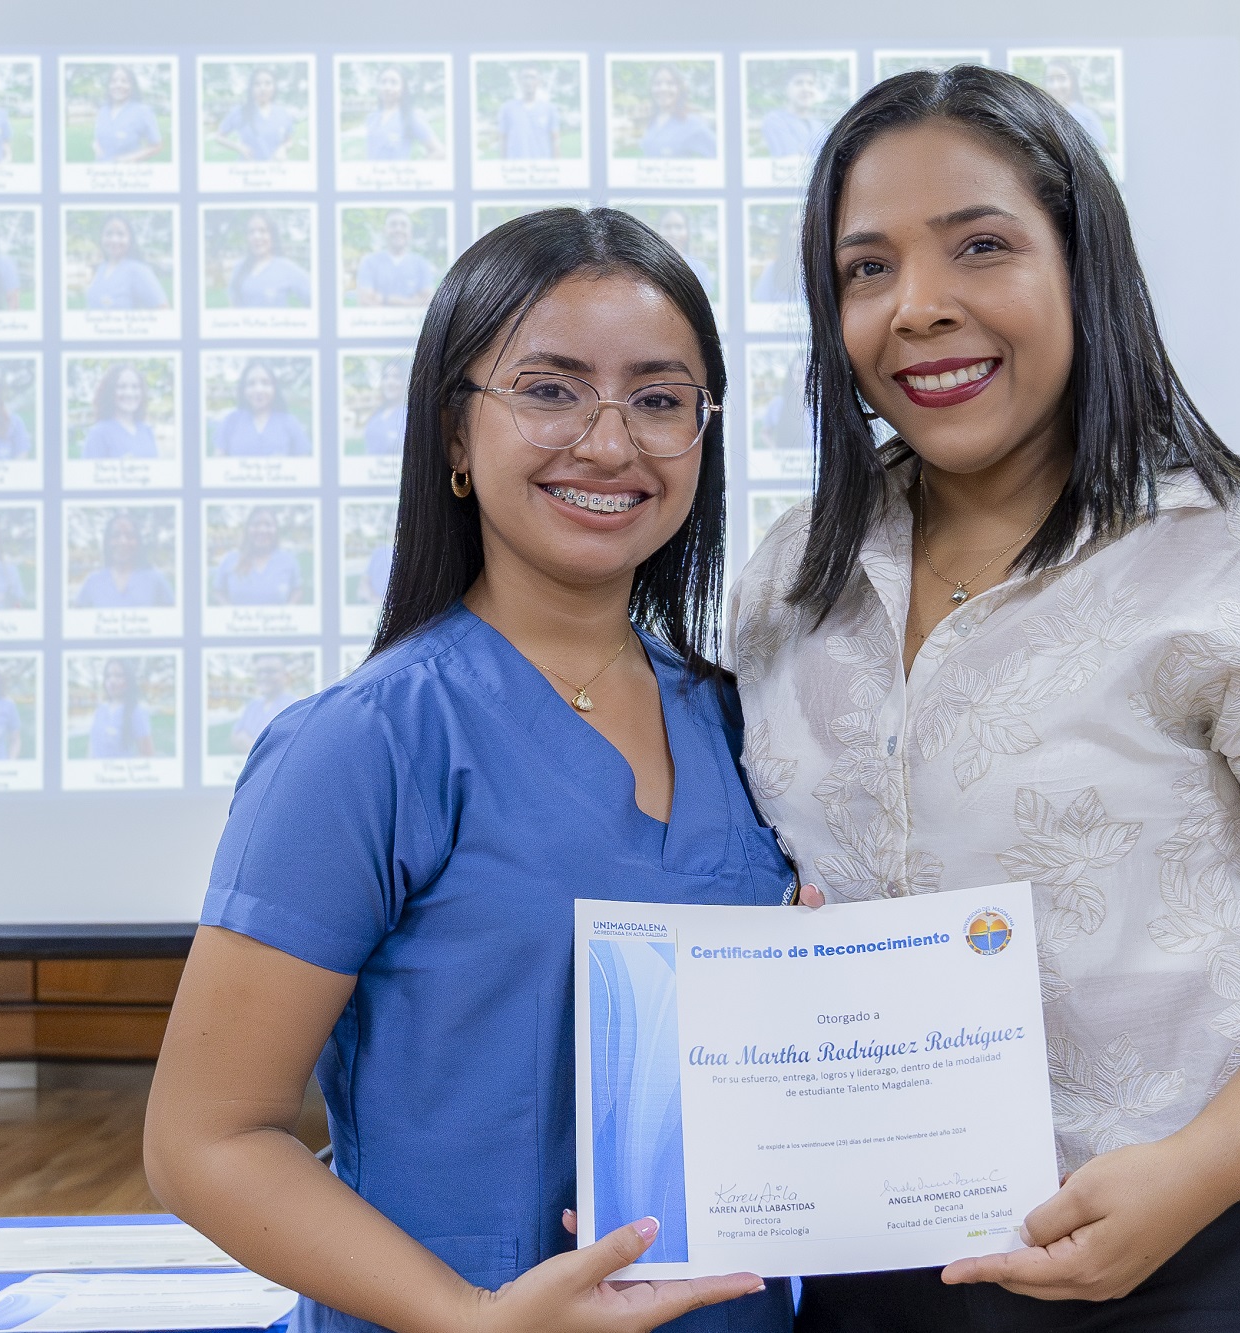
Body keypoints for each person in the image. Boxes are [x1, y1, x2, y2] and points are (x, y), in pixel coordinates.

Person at [730, 66, 1240, 1332]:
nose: (917, 308)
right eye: (865, 269)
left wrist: (1194, 1175)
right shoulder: (790, 579)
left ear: (1081, 264)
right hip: (885, 1270)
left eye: (979, 247)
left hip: (1225, 1253)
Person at [145, 207, 792, 1333]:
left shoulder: (750, 721)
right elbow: (205, 1139)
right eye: (548, 389)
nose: (607, 441)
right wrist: (469, 1317)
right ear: (454, 436)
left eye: (658, 398)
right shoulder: (365, 741)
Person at [75, 511, 173, 609]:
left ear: (138, 542)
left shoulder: (156, 580)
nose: (123, 541)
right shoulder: (93, 582)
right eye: (116, 535)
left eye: (129, 536)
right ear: (107, 542)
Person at [210, 505, 304, 606]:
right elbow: (218, 591)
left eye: (268, 525)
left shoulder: (288, 560)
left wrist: (288, 610)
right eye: (256, 524)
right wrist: (229, 612)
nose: (262, 530)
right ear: (247, 529)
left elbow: (297, 590)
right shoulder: (230, 559)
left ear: (276, 529)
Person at [213, 361, 309, 458]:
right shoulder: (230, 422)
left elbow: (303, 467)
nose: (258, 389)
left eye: (265, 383)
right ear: (243, 389)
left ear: (274, 388)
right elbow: (218, 465)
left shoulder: (290, 423)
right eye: (251, 383)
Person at [353, 209, 438, 308]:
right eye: (393, 224)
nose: (398, 229)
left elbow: (428, 303)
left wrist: (385, 299)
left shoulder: (422, 264)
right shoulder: (369, 262)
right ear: (384, 230)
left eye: (403, 225)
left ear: (410, 232)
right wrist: (413, 301)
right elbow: (365, 301)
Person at [226, 212, 312, 309]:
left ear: (272, 236)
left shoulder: (286, 268)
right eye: (251, 232)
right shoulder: (239, 268)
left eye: (263, 231)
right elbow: (232, 306)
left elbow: (315, 297)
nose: (256, 236)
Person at [83, 215, 168, 311]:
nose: (114, 240)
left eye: (120, 234)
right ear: (102, 237)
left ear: (130, 239)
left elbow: (162, 310)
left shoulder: (139, 270)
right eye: (109, 234)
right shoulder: (101, 268)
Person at [213, 66, 298, 161]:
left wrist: (283, 148)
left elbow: (289, 140)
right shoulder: (240, 111)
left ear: (274, 87)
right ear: (251, 88)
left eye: (268, 83)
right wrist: (239, 147)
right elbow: (218, 136)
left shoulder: (283, 113)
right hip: (247, 172)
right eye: (257, 84)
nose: (262, 88)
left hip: (275, 171)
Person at [81, 363, 161, 460]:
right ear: (110, 391)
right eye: (122, 387)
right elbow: (89, 473)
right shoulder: (98, 433)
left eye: (135, 387)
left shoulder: (147, 430)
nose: (129, 393)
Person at [363, 65, 440, 160]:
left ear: (403, 88)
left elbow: (439, 151)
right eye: (383, 82)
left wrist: (415, 171)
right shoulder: (371, 118)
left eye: (394, 82)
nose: (387, 87)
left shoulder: (411, 117)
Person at [229, 653, 301, 754]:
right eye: (259, 672)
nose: (263, 676)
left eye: (270, 671)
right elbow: (235, 737)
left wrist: (248, 743)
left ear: (285, 676)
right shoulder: (253, 705)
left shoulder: (296, 707)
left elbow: (284, 749)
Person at [637, 64, 714, 158]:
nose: (663, 88)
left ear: (680, 89)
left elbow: (721, 156)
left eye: (670, 83)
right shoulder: (652, 121)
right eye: (657, 84)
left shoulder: (692, 123)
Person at [92, 64, 164, 163]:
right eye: (113, 81)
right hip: (101, 174)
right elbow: (97, 138)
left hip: (130, 175)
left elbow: (156, 146)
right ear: (109, 85)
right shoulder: (103, 111)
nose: (118, 85)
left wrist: (127, 159)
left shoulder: (143, 112)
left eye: (124, 81)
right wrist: (96, 147)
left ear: (132, 86)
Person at [87, 657, 156, 759]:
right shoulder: (100, 710)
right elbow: (92, 747)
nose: (112, 680)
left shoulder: (137, 711)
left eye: (119, 675)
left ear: (129, 679)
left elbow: (148, 755)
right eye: (108, 676)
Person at [759, 68, 827, 159]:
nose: (806, 89)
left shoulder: (820, 126)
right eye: (799, 83)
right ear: (785, 89)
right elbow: (791, 157)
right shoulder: (774, 120)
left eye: (810, 83)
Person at [496, 65, 560, 158]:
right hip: (515, 168)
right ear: (519, 81)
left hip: (543, 168)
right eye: (525, 77)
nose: (528, 82)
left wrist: (557, 168)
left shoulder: (550, 109)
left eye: (533, 77)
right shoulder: (507, 108)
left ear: (539, 81)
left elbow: (555, 142)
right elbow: (503, 140)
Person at [1041, 62, 1107, 150]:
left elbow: (1103, 151)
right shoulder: (1039, 115)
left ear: (1072, 82)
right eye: (1050, 80)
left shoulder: (1087, 116)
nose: (1055, 86)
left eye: (1061, 78)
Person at [650, 209, 716, 295]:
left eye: (678, 227)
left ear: (687, 231)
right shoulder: (649, 265)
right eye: (667, 227)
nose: (673, 232)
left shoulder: (700, 267)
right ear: (658, 231)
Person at [360, 377, 407, 457]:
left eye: (396, 376)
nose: (390, 382)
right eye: (386, 377)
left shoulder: (408, 414)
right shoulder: (376, 416)